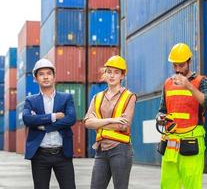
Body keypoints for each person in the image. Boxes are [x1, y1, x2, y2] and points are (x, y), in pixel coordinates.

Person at [156, 43, 207, 189]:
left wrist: (189, 86)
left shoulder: (201, 81)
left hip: (192, 141)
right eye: (175, 65)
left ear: (189, 61)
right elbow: (162, 109)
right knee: (168, 185)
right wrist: (160, 117)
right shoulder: (167, 84)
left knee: (192, 185)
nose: (177, 69)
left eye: (181, 65)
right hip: (171, 143)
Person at [22, 58, 77, 189]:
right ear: (35, 78)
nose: (45, 77)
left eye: (48, 73)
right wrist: (54, 116)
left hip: (63, 153)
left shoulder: (66, 98)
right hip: (40, 155)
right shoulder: (30, 100)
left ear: (54, 76)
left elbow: (71, 119)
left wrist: (44, 126)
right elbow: (27, 119)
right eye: (41, 74)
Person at [84, 55, 136, 189]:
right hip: (101, 150)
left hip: (121, 150)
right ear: (105, 74)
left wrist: (98, 122)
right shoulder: (97, 97)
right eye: (109, 71)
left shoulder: (129, 97)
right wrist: (111, 120)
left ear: (122, 76)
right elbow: (87, 122)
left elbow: (123, 125)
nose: (112, 75)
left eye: (116, 72)